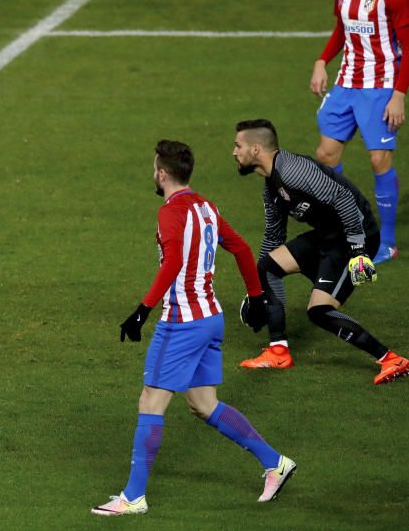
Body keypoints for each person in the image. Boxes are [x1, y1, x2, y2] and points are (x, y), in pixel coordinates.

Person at [92, 140, 295, 517]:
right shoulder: (206, 207)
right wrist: (255, 297)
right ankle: (275, 463)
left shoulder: (169, 213)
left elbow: (171, 264)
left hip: (182, 323)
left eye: (155, 168)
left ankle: (133, 497)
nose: (154, 173)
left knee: (150, 401)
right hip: (210, 318)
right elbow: (243, 249)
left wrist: (141, 311)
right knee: (203, 404)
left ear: (163, 174)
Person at [233, 119, 409, 384]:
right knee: (267, 267)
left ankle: (390, 359)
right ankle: (278, 351)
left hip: (354, 237)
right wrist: (258, 294)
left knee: (319, 311)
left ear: (256, 149)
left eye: (238, 146)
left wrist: (359, 251)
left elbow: (344, 198)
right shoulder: (271, 187)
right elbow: (273, 236)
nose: (234, 152)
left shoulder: (294, 170)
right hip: (328, 236)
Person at [310, 0, 409, 264]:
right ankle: (345, 223)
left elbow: (407, 48)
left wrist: (398, 95)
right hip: (346, 83)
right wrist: (322, 61)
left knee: (379, 160)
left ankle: (388, 243)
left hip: (380, 86)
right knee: (326, 154)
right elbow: (342, 30)